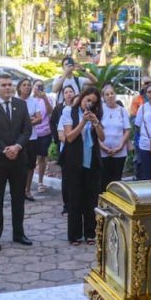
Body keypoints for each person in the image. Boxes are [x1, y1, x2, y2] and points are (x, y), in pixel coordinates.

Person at [0, 73, 33, 251]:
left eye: (10, 84)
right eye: (4, 85)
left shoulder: (21, 105)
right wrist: (5, 149)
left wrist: (17, 147)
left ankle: (19, 233)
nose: (8, 87)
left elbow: (27, 130)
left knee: (18, 198)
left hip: (18, 159)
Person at [59, 87, 104, 245]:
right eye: (87, 100)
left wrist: (95, 122)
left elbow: (102, 137)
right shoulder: (69, 112)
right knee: (75, 198)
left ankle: (90, 233)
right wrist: (83, 122)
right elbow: (69, 137)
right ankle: (75, 235)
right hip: (73, 161)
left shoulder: (95, 114)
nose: (89, 103)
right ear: (82, 98)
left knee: (91, 199)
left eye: (93, 102)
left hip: (91, 161)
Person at [99, 84, 130, 190]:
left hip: (119, 152)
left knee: (116, 179)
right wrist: (103, 146)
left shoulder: (122, 111)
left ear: (115, 95)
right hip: (103, 151)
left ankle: (116, 202)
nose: (110, 96)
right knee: (103, 179)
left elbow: (127, 130)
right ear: (103, 97)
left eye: (112, 93)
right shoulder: (100, 110)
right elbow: (95, 129)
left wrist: (120, 146)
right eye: (107, 94)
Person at [51, 85, 76, 214]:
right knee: (66, 179)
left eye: (71, 91)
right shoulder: (64, 111)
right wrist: (72, 143)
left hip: (80, 153)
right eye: (66, 92)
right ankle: (67, 205)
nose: (69, 94)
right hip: (67, 151)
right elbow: (61, 134)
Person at [16, 78, 41, 201]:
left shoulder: (34, 101)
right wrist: (28, 121)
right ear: (19, 87)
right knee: (19, 165)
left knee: (31, 165)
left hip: (32, 137)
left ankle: (27, 190)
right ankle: (18, 190)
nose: (27, 87)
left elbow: (39, 118)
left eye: (28, 85)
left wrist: (27, 122)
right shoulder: (14, 101)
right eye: (24, 85)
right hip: (18, 138)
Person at [31, 80, 54, 194]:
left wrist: (44, 98)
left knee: (41, 157)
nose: (39, 88)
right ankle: (27, 183)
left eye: (41, 86)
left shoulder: (47, 98)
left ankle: (40, 181)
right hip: (31, 133)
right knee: (30, 159)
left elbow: (50, 112)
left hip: (45, 132)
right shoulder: (29, 100)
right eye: (37, 86)